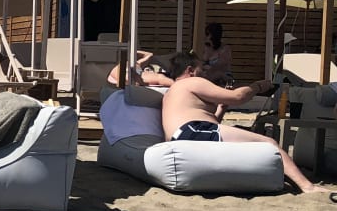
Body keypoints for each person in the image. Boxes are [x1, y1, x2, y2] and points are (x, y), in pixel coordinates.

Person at [161, 50, 327, 195]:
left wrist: (222, 108)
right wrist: (257, 87)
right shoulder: (191, 81)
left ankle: (289, 177)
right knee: (269, 143)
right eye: (202, 69)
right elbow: (238, 97)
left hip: (184, 135)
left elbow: (210, 126)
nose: (205, 74)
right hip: (193, 130)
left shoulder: (172, 92)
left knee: (247, 136)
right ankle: (308, 186)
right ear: (190, 70)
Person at [107, 50, 174, 89]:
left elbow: (149, 55)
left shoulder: (125, 69)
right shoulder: (126, 73)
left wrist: (139, 63)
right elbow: (159, 78)